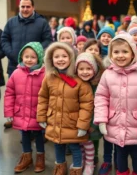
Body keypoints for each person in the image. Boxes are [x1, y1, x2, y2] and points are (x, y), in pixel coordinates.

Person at [94, 33, 137, 175]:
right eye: (116, 52)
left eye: (125, 51)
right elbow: (101, 97)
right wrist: (102, 120)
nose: (120, 55)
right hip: (115, 122)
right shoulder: (108, 74)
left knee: (136, 154)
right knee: (120, 154)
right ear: (111, 54)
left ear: (133, 53)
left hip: (135, 123)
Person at [37, 42, 94, 174]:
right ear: (51, 59)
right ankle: (60, 167)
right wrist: (41, 116)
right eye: (57, 57)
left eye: (64, 56)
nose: (61, 59)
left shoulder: (79, 81)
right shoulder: (49, 78)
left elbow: (86, 104)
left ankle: (76, 168)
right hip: (55, 121)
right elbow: (43, 97)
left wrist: (82, 125)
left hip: (72, 123)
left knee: (74, 146)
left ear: (71, 58)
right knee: (58, 145)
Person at [1, 0, 52, 129]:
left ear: (33, 7)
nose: (25, 9)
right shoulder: (11, 22)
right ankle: (15, 119)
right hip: (15, 65)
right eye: (22, 6)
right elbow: (4, 39)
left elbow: (48, 40)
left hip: (36, 69)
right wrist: (11, 53)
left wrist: (38, 54)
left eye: (28, 6)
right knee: (16, 94)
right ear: (19, 7)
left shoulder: (42, 23)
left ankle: (35, 125)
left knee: (34, 97)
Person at [4, 42, 45, 173]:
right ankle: (26, 156)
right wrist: (9, 111)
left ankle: (40, 157)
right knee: (24, 135)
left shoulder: (44, 75)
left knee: (39, 135)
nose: (29, 60)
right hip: (21, 112)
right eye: (26, 56)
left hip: (37, 113)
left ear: (38, 58)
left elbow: (48, 94)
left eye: (32, 57)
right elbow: (9, 92)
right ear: (21, 57)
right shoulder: (16, 73)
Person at [75, 52, 105, 173]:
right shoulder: (77, 83)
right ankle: (82, 160)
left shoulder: (97, 85)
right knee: (81, 143)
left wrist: (93, 124)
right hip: (79, 121)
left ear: (95, 69)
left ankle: (90, 164)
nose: (85, 72)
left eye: (88, 68)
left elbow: (99, 106)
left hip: (92, 122)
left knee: (89, 143)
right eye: (81, 69)